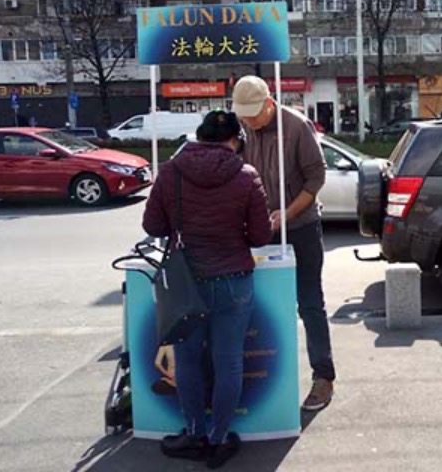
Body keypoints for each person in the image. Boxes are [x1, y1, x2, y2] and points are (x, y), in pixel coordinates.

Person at [142, 110, 273, 469]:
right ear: (236, 141)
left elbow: (152, 224)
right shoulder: (247, 176)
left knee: (186, 361)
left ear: (199, 136)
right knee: (228, 361)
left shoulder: (170, 171)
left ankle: (195, 432)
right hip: (234, 282)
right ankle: (218, 440)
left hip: (188, 284)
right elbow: (261, 236)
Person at [232, 75, 336, 412]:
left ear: (269, 103)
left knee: (309, 303)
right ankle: (263, 378)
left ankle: (323, 377)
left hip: (301, 227)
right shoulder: (241, 128)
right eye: (243, 116)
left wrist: (287, 214)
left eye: (253, 114)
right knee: (256, 305)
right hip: (258, 230)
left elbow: (316, 177)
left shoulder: (296, 126)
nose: (248, 122)